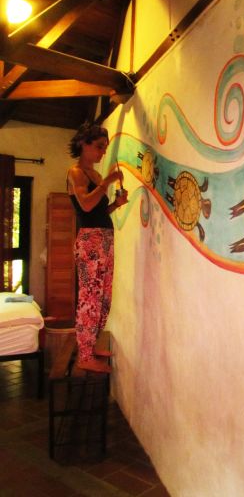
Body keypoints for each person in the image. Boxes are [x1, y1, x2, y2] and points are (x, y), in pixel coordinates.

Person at [67, 122, 128, 373]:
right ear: (84, 144)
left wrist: (116, 204)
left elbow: (100, 211)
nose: (103, 152)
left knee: (103, 297)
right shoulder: (76, 173)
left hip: (104, 239)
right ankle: (84, 355)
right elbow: (86, 205)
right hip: (90, 241)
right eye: (99, 147)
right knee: (89, 299)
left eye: (105, 148)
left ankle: (90, 345)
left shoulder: (96, 176)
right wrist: (107, 183)